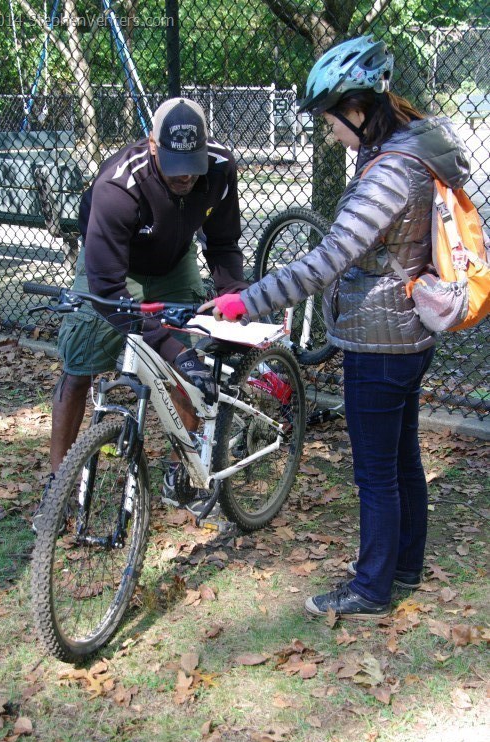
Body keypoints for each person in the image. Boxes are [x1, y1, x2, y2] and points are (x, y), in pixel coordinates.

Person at [200, 36, 471, 618]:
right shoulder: (411, 151)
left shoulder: (388, 174)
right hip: (407, 332)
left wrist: (243, 302)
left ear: (356, 109)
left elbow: (324, 261)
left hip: (382, 339)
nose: (328, 133)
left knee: (376, 472)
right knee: (401, 459)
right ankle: (403, 566)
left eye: (329, 120)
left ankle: (371, 589)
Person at [38, 97, 247, 522]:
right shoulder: (118, 187)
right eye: (174, 162)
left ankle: (183, 469)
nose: (186, 173)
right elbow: (108, 288)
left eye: (193, 161)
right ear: (153, 147)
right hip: (115, 268)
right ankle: (57, 488)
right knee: (79, 366)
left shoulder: (221, 169)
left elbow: (223, 242)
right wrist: (172, 348)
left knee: (188, 371)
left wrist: (233, 297)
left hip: (174, 263)